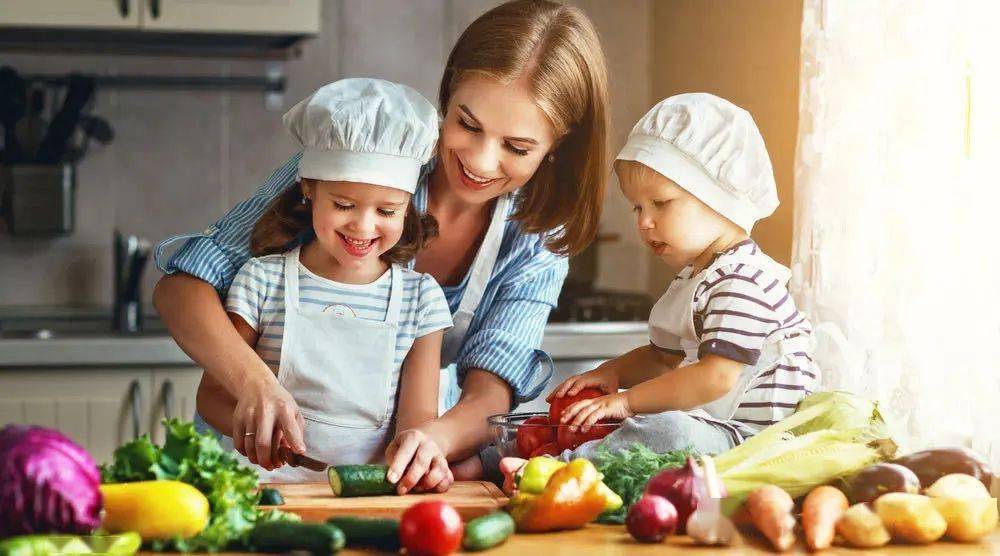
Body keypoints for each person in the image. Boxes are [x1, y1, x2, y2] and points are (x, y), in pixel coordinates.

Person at [152, 0, 610, 492]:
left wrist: (429, 441)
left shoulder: (536, 239)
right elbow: (183, 288)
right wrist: (255, 385)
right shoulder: (361, 155)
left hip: (369, 477)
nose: (479, 160)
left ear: (557, 143)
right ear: (449, 90)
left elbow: (488, 393)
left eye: (517, 148)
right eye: (467, 124)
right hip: (244, 468)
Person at [193, 78, 453, 483]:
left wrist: (416, 460)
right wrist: (259, 434)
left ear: (408, 207)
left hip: (364, 496)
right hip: (264, 488)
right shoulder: (262, 281)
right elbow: (211, 397)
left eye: (387, 211)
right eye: (344, 205)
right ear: (308, 189)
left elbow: (416, 425)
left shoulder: (421, 300)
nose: (363, 226)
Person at [547, 93, 821, 459]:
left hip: (757, 444)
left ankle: (563, 468)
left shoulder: (744, 282)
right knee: (650, 423)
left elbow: (715, 377)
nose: (644, 221)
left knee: (667, 429)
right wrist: (613, 372)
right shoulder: (700, 276)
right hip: (718, 431)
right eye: (638, 207)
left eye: (661, 203)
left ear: (718, 197)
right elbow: (663, 360)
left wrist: (627, 403)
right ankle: (550, 455)